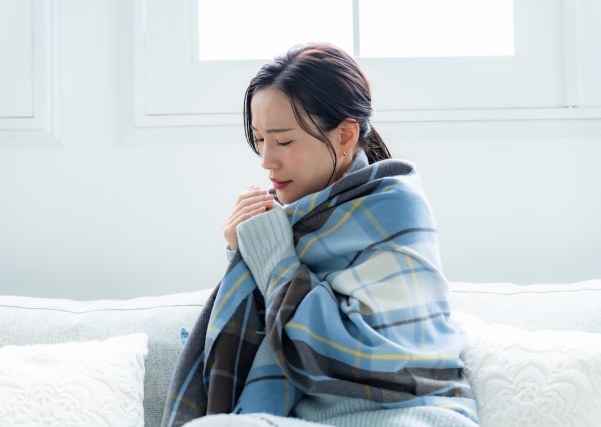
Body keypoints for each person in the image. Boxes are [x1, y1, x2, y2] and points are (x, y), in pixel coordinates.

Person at [162, 42, 478, 427]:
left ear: (345, 136)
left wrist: (269, 252)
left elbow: (387, 359)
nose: (266, 160)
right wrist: (242, 251)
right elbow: (270, 333)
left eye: (284, 141)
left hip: (414, 415)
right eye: (259, 139)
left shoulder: (396, 206)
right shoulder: (290, 220)